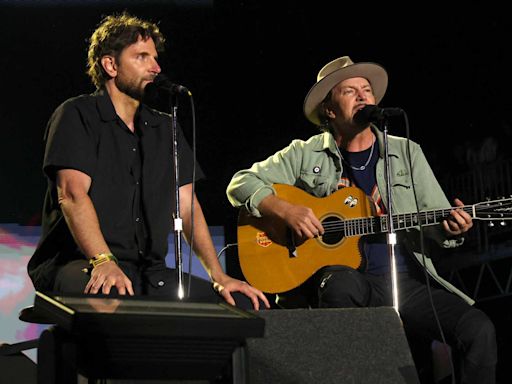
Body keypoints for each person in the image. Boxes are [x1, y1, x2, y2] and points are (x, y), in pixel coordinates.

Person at [226, 56, 496, 382]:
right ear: (329, 110)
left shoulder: (406, 152)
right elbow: (240, 183)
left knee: (478, 330)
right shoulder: (304, 153)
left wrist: (454, 228)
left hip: (406, 281)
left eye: (366, 90)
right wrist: (286, 210)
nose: (362, 96)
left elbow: (439, 223)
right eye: (349, 91)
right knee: (340, 285)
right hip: (345, 281)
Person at [28, 12, 269, 311]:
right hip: (82, 263)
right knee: (113, 297)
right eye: (141, 57)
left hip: (148, 271)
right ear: (110, 65)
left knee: (239, 303)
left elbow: (187, 206)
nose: (156, 67)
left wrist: (219, 276)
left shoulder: (165, 127)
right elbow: (72, 194)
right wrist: (104, 261)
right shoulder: (77, 115)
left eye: (154, 58)